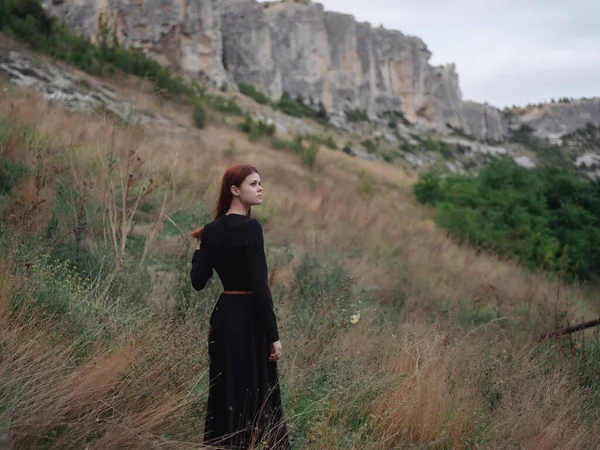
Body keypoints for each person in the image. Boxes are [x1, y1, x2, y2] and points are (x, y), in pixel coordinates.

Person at [190, 164, 290, 449]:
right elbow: (260, 287)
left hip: (223, 319)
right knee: (259, 393)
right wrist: (274, 336)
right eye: (254, 184)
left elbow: (198, 282)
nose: (260, 189)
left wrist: (199, 249)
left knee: (226, 391)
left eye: (260, 183)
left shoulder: (210, 230)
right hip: (249, 319)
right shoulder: (251, 228)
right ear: (235, 190)